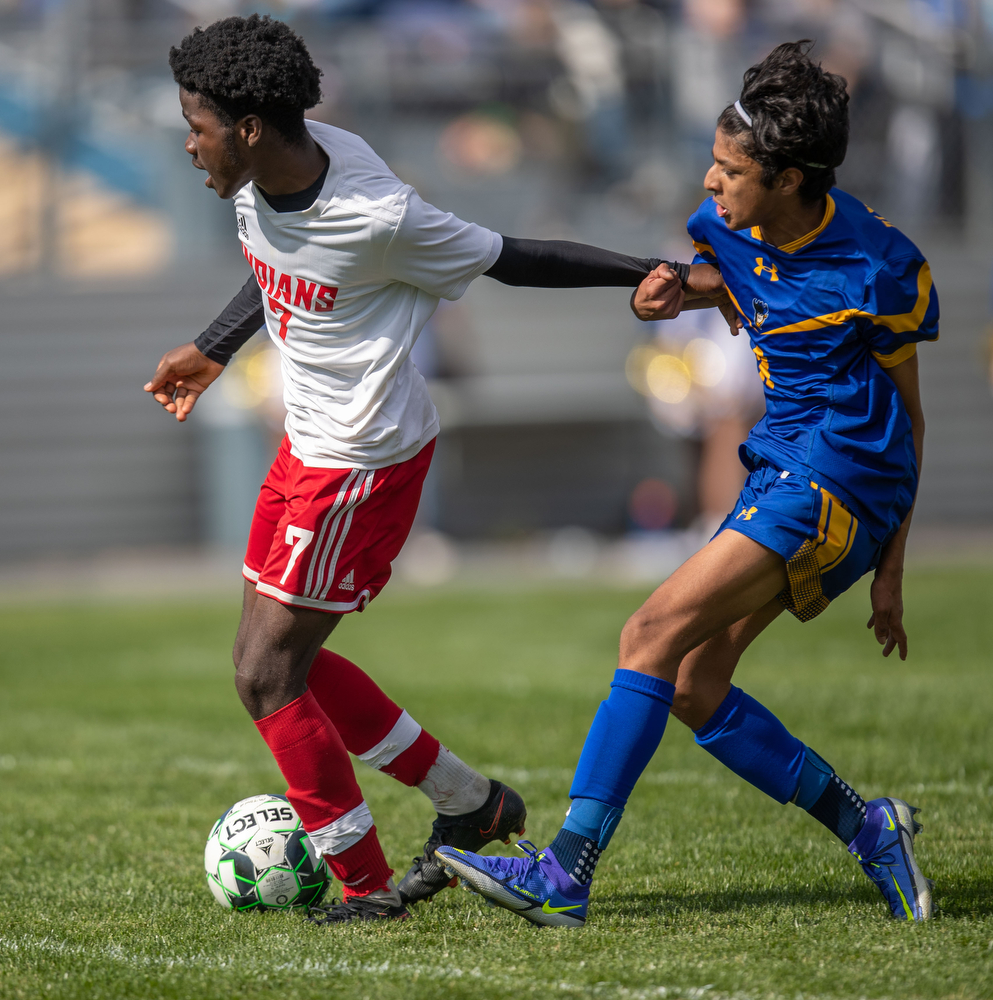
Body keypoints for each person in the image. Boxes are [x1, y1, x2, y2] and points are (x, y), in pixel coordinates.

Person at [145, 15, 716, 923]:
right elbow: (274, 262)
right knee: (284, 661)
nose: (189, 143)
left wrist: (653, 271)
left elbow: (511, 258)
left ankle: (367, 889)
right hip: (307, 446)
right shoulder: (266, 172)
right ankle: (471, 803)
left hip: (360, 463)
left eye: (197, 125)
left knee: (264, 675)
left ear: (248, 126)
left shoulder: (378, 213)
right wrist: (214, 350)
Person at [437, 40, 937, 927]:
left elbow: (912, 416)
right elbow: (726, 280)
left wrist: (893, 567)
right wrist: (675, 291)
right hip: (780, 467)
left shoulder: (878, 266)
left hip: (841, 482)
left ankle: (565, 875)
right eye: (712, 160)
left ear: (788, 180)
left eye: (730, 169)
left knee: (648, 634)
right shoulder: (735, 229)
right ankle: (870, 828)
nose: (710, 182)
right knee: (695, 684)